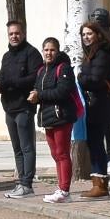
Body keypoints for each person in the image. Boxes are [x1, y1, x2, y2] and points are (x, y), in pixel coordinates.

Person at [76, 14, 110, 197]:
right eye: (84, 34)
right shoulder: (92, 54)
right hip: (94, 105)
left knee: (96, 144)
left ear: (98, 35)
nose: (86, 37)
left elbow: (95, 79)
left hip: (99, 105)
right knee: (93, 143)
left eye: (89, 34)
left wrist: (80, 77)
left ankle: (101, 184)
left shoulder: (102, 54)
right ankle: (98, 182)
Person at [0, 19, 42, 197]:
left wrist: (12, 83)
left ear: (23, 34)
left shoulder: (32, 53)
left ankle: (27, 185)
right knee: (17, 148)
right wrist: (0, 85)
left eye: (17, 33)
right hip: (9, 107)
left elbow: (33, 78)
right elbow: (2, 76)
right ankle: (20, 182)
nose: (14, 36)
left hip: (24, 107)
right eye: (11, 34)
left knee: (27, 147)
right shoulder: (7, 56)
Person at [32, 35, 82, 202]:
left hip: (61, 116)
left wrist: (40, 95)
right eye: (46, 50)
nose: (49, 53)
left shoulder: (64, 68)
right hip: (47, 118)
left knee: (62, 153)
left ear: (58, 51)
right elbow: (38, 90)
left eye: (52, 50)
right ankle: (60, 187)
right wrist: (35, 95)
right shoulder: (41, 71)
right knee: (55, 154)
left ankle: (65, 191)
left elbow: (62, 91)